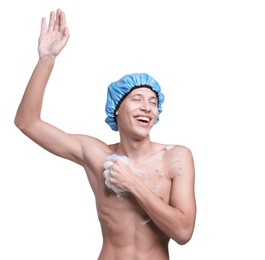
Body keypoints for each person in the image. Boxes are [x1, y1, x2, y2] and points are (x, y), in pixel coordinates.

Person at [14, 9, 196, 260]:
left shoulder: (176, 157)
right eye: (137, 99)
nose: (147, 107)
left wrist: (132, 182)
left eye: (153, 102)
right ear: (117, 109)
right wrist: (47, 60)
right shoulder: (96, 154)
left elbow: (184, 232)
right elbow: (27, 122)